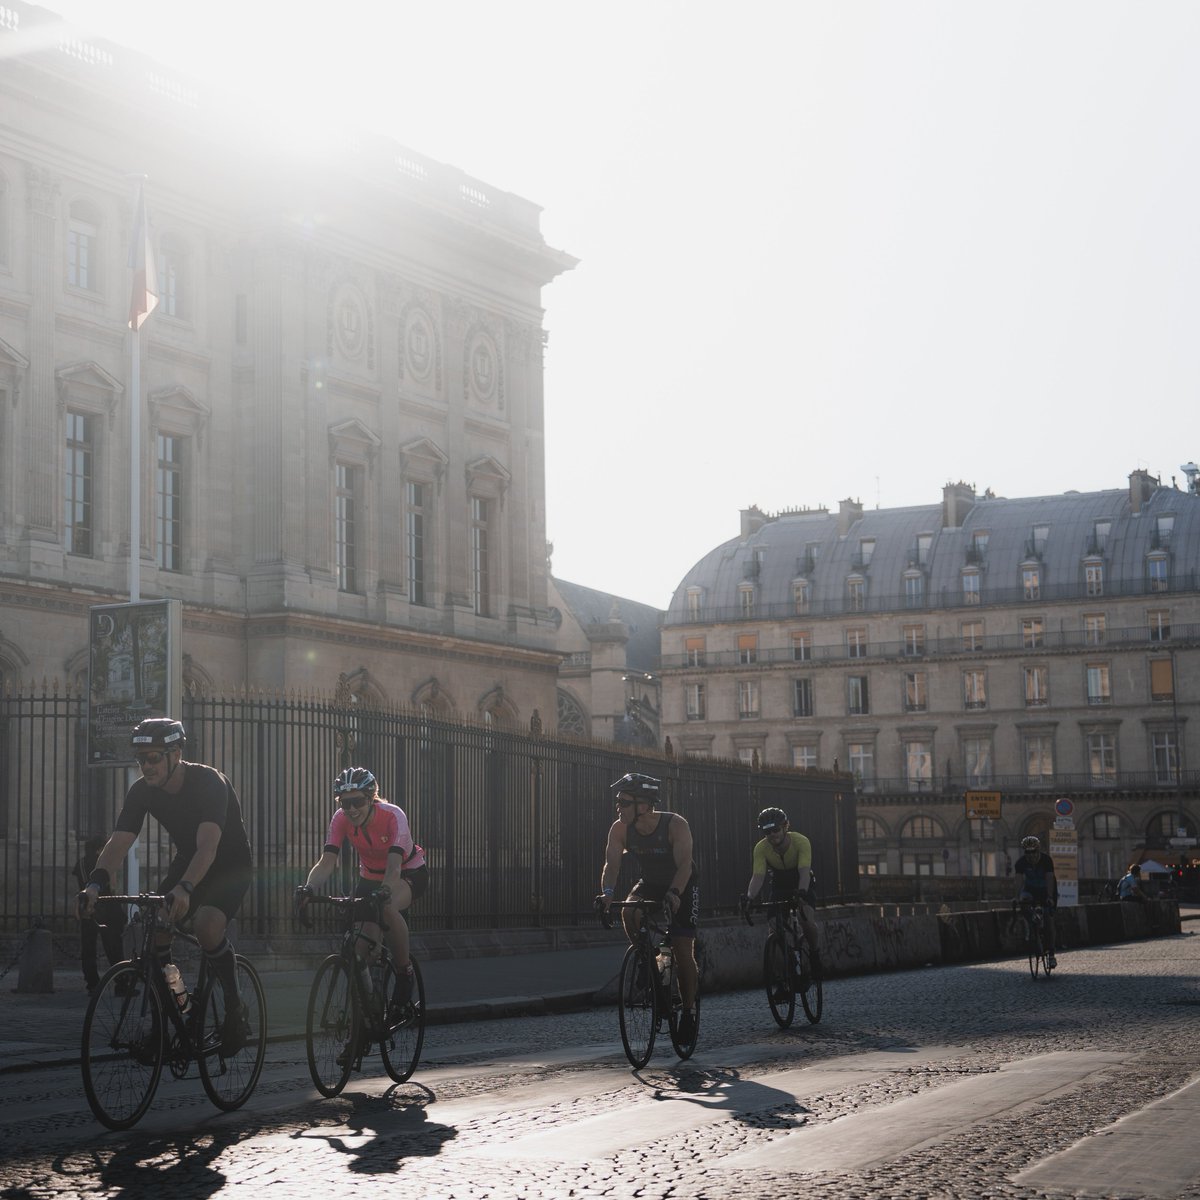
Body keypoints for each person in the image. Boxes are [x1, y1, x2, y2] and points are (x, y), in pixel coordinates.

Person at [78, 718, 253, 1050]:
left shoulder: (209, 782)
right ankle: (173, 1013)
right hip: (188, 859)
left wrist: (186, 888)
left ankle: (234, 1009)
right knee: (156, 926)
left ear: (175, 754)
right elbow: (118, 842)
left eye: (154, 757)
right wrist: (95, 885)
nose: (146, 766)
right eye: (141, 758)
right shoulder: (143, 790)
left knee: (206, 926)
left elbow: (208, 847)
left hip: (229, 864)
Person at [295, 767, 427, 1022]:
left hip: (407, 873)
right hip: (369, 877)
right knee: (358, 948)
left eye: (357, 802)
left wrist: (385, 891)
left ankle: (404, 972)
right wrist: (308, 888)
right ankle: (365, 1018)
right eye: (345, 803)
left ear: (371, 798)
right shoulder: (341, 819)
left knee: (386, 907)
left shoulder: (393, 815)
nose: (351, 809)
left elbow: (394, 866)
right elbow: (327, 861)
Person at [599, 772, 699, 1040]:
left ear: (643, 804)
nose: (618, 806)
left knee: (681, 949)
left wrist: (675, 893)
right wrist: (607, 894)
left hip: (682, 883)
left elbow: (685, 866)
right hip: (651, 882)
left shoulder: (675, 825)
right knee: (629, 911)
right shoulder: (620, 828)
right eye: (618, 801)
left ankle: (688, 1012)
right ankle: (647, 958)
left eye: (624, 801)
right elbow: (612, 864)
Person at [740, 807, 821, 975]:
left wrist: (802, 893)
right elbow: (758, 876)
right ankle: (784, 978)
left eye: (776, 830)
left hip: (801, 881)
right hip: (779, 884)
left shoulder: (801, 841)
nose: (772, 835)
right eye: (767, 832)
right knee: (774, 931)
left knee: (805, 919)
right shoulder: (761, 848)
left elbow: (804, 872)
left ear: (785, 827)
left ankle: (814, 952)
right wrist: (749, 897)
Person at [71, 834, 128, 994]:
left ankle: (92, 983)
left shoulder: (81, 863)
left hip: (86, 908)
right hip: (106, 908)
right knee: (113, 947)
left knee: (88, 948)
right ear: (99, 849)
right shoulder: (103, 864)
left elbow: (80, 883)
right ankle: (121, 983)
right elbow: (113, 885)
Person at [1013, 834, 1058, 967]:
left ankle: (1051, 954)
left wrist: (1050, 897)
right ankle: (1032, 925)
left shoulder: (1046, 860)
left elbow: (1050, 879)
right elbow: (1019, 881)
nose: (1031, 855)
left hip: (1047, 890)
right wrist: (1016, 897)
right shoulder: (1021, 863)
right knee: (1023, 901)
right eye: (1027, 852)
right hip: (1031, 890)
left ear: (1038, 850)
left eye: (1033, 852)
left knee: (1049, 921)